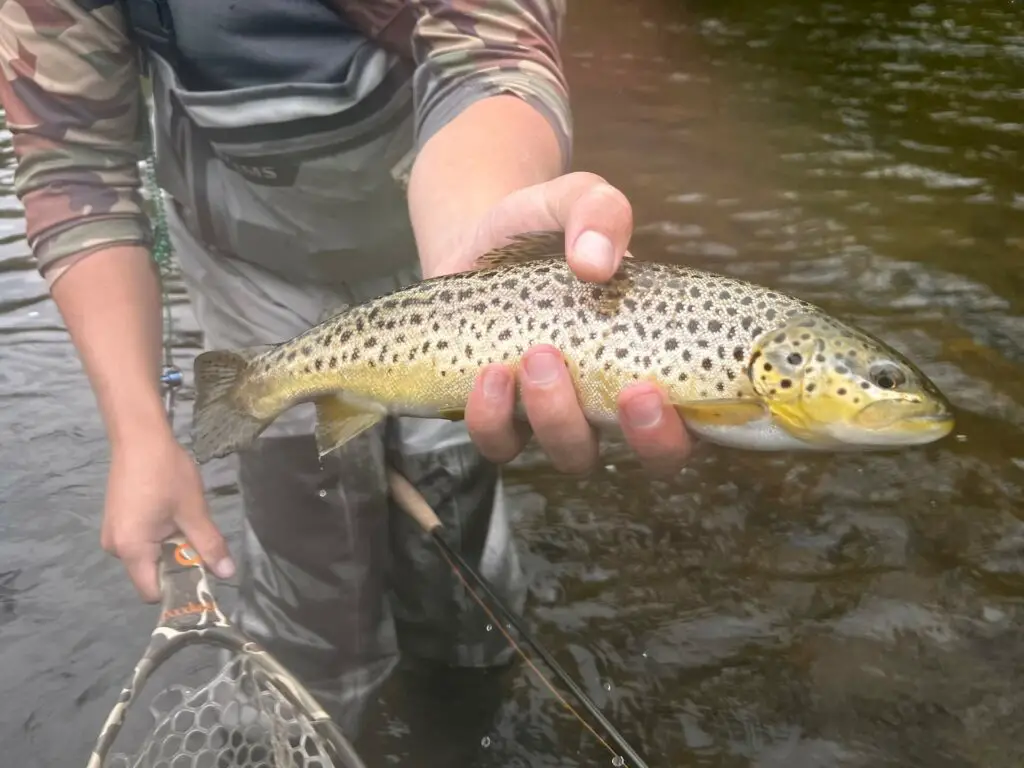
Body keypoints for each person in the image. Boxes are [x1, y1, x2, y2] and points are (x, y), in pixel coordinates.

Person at [0, 0, 691, 741]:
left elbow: (491, 56)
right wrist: (139, 431)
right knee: (313, 565)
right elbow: (76, 166)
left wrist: (476, 264)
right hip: (245, 264)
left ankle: (458, 712)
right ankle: (324, 715)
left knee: (454, 539)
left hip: (441, 249)